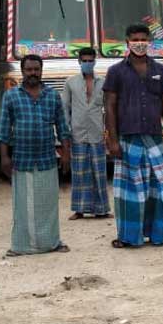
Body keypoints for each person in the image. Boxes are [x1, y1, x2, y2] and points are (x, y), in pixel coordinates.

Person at [104, 24, 163, 248]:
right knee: (129, 192)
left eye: (144, 39)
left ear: (149, 42)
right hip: (128, 139)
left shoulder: (160, 71)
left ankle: (157, 235)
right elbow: (110, 105)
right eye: (135, 39)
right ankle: (128, 237)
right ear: (127, 42)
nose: (140, 43)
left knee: (157, 190)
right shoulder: (116, 71)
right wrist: (113, 140)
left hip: (153, 138)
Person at [0, 54, 72, 256]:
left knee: (48, 204)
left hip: (47, 157)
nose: (32, 73)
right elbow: (4, 129)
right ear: (22, 71)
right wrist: (4, 158)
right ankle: (21, 246)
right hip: (22, 159)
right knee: (23, 206)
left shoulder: (52, 95)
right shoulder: (11, 96)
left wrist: (65, 154)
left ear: (41, 71)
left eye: (36, 69)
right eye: (29, 70)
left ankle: (51, 243)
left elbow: (63, 127)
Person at [62, 47, 112, 220]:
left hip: (97, 133)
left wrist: (110, 132)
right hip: (78, 133)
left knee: (99, 172)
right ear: (79, 62)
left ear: (95, 61)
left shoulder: (103, 83)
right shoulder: (71, 83)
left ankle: (102, 209)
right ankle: (79, 209)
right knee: (79, 172)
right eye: (84, 61)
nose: (87, 63)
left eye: (90, 60)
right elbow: (65, 108)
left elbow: (109, 108)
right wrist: (66, 133)